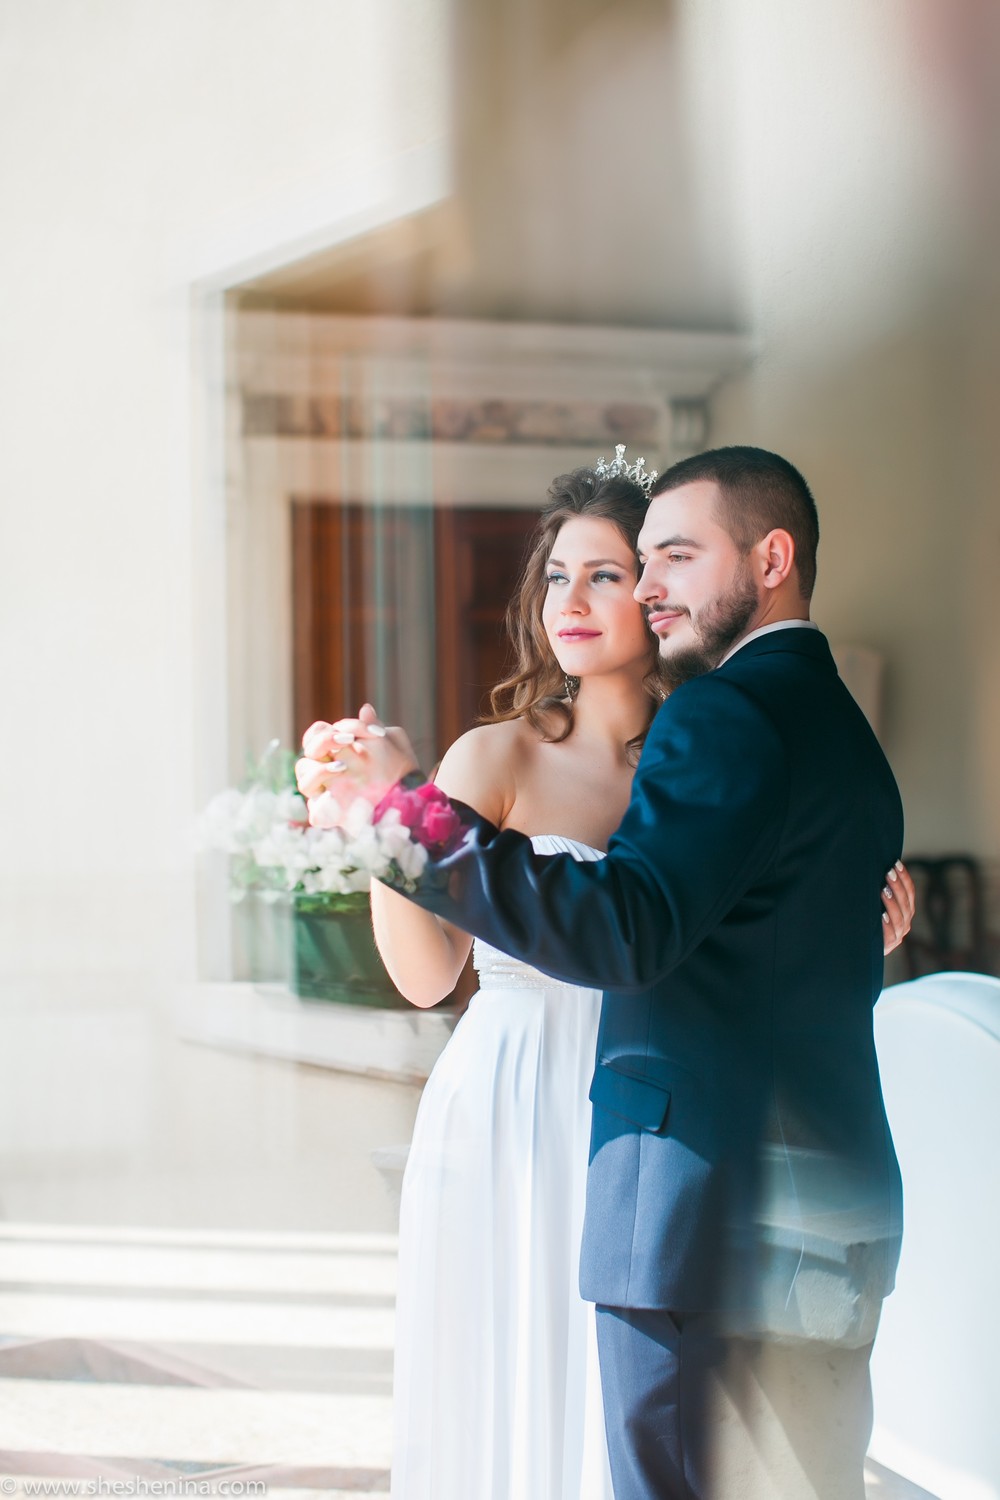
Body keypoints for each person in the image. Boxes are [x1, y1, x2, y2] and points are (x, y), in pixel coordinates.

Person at [301, 446, 916, 1500]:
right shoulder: (502, 756)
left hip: (671, 1154)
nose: (584, 598)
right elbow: (422, 979)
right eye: (558, 574)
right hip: (531, 1110)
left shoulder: (715, 732)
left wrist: (403, 818)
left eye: (630, 568)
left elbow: (644, 926)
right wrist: (377, 827)